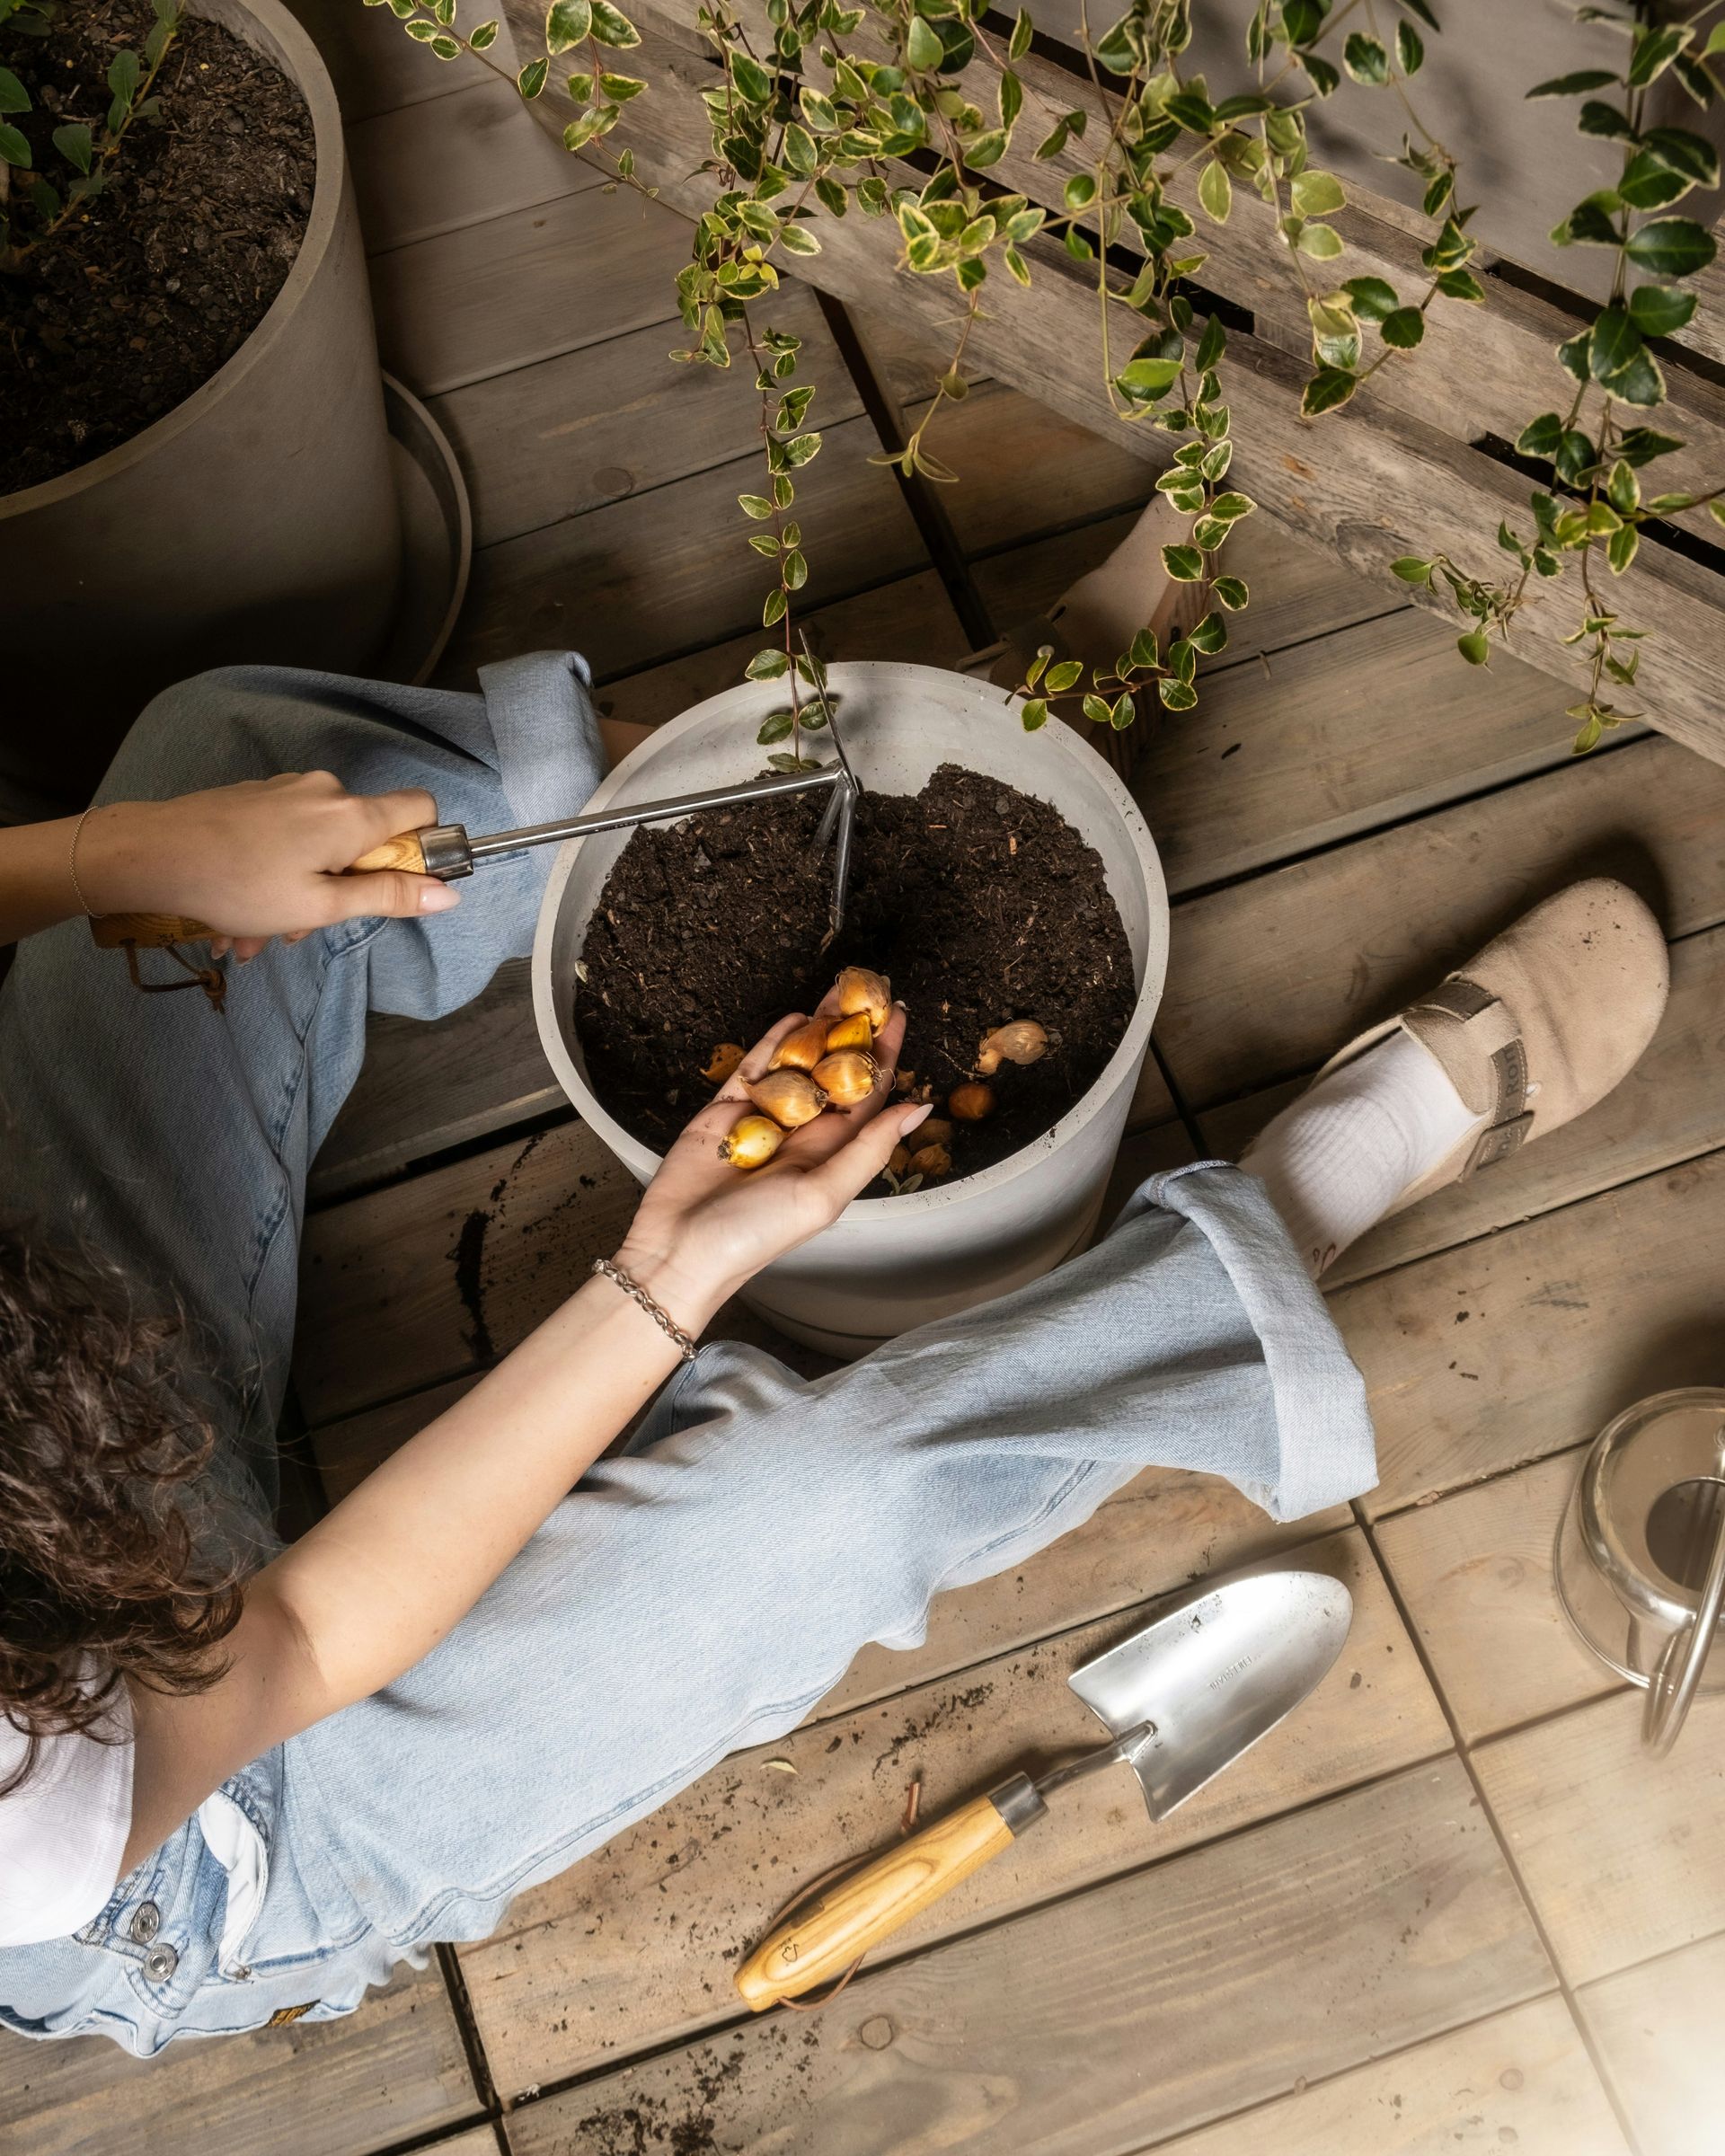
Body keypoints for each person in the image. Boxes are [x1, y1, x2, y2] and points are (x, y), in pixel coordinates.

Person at [0, 520, 1669, 2052]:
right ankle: (1315, 1192)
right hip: (213, 1805)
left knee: (216, 765)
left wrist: (102, 862)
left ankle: (944, 774)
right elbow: (285, 1643)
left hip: (47, 1440)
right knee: (830, 1498)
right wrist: (658, 1276)